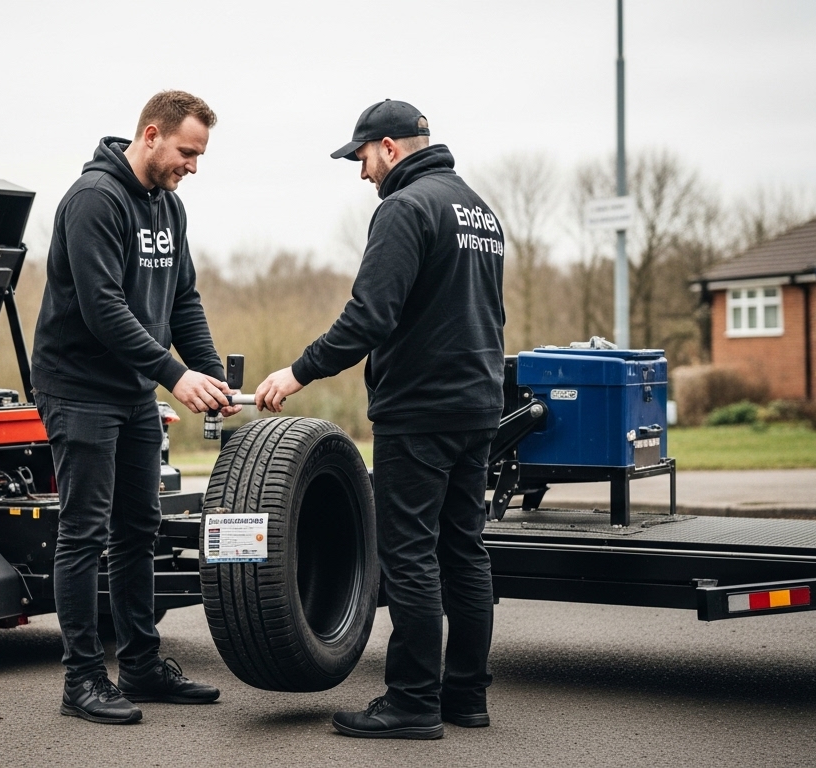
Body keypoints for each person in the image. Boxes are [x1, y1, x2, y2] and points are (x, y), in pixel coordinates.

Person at [255, 100, 507, 740]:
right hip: (478, 403)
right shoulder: (479, 209)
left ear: (390, 147)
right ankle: (466, 697)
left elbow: (369, 317)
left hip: (421, 409)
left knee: (412, 557)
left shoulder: (404, 208)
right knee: (464, 551)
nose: (361, 172)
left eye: (362, 157)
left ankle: (413, 703)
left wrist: (297, 372)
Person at [31, 90, 239, 725]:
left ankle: (142, 666)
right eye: (187, 152)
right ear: (151, 134)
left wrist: (205, 369)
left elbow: (182, 299)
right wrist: (174, 375)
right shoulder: (95, 200)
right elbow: (102, 309)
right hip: (78, 386)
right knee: (85, 532)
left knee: (138, 529)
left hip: (130, 390)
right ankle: (83, 681)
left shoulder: (168, 207)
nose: (193, 167)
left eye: (200, 155)